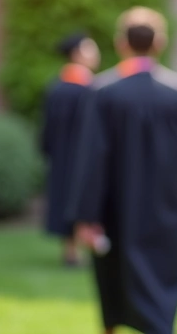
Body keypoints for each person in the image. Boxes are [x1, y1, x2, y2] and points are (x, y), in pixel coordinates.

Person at [66, 7, 177, 334]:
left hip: (116, 211)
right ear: (159, 43)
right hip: (167, 210)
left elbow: (92, 159)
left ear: (122, 43)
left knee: (114, 286)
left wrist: (86, 216)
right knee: (161, 285)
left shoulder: (104, 92)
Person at [40, 32, 101, 267]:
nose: (95, 53)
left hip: (62, 156)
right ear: (77, 54)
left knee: (66, 196)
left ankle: (72, 249)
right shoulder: (89, 89)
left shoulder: (56, 87)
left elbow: (47, 130)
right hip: (82, 157)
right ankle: (76, 249)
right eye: (90, 48)